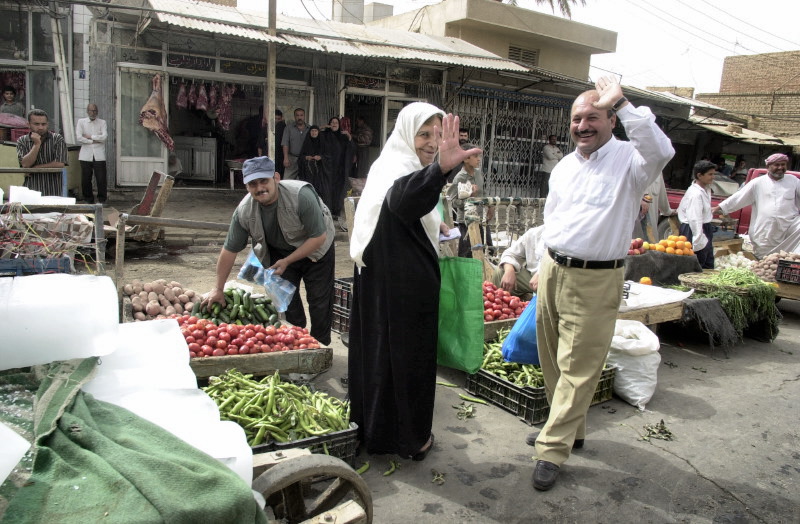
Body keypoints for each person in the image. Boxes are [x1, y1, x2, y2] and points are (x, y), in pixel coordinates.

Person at [529, 76, 674, 491]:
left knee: (579, 367)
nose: (583, 126)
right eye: (577, 119)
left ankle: (551, 449)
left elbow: (661, 149)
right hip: (554, 269)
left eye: (593, 116)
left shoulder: (631, 160)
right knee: (553, 358)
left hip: (596, 279)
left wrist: (623, 101)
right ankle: (570, 431)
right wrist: (542, 262)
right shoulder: (565, 166)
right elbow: (553, 219)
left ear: (611, 120)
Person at [348, 103, 480, 459]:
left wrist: (437, 225)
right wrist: (440, 168)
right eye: (423, 134)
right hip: (401, 290)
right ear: (407, 134)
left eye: (437, 135)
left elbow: (406, 215)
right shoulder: (398, 169)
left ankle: (374, 432)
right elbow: (402, 200)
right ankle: (410, 439)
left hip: (385, 283)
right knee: (408, 361)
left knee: (383, 358)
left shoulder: (398, 165)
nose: (430, 142)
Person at [202, 156, 336, 346]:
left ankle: (321, 348)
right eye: (252, 184)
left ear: (276, 177)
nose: (259, 188)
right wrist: (218, 288)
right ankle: (297, 344)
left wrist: (288, 260)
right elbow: (229, 250)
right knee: (287, 302)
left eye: (264, 181)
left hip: (316, 249)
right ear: (246, 186)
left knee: (319, 302)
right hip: (279, 253)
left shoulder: (301, 196)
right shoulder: (244, 211)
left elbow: (318, 237)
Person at [712, 153, 800, 259]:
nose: (780, 168)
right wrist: (718, 208)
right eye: (777, 165)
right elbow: (737, 198)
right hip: (766, 230)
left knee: (789, 256)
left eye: (783, 164)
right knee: (766, 260)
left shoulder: (793, 181)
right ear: (768, 167)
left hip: (789, 227)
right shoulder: (758, 183)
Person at [446, 144, 486, 257]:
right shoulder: (460, 178)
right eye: (475, 156)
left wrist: (490, 207)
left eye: (479, 156)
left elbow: (483, 192)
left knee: (484, 250)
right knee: (466, 252)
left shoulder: (478, 173)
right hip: (465, 221)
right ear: (466, 159)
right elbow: (454, 201)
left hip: (480, 218)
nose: (478, 159)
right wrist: (470, 198)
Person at [16, 109, 67, 196]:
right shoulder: (22, 140)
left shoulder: (57, 139)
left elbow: (60, 163)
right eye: (36, 124)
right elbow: (25, 164)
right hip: (32, 189)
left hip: (54, 189)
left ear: (47, 124)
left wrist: (35, 168)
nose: (40, 127)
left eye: (43, 124)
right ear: (28, 124)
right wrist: (36, 145)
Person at [678, 160, 717, 269]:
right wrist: (699, 239)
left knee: (707, 263)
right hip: (694, 229)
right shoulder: (695, 194)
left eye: (714, 174)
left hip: (704, 227)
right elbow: (695, 219)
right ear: (699, 175)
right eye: (710, 174)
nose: (713, 177)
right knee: (696, 263)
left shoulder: (705, 189)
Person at [319, 116, 355, 226]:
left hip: (339, 169)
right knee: (327, 189)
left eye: (336, 123)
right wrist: (324, 127)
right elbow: (314, 134)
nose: (334, 124)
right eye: (332, 122)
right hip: (327, 168)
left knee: (339, 190)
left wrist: (349, 137)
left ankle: (336, 211)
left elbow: (351, 149)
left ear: (339, 125)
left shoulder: (342, 137)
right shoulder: (325, 135)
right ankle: (327, 210)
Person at [491, 225, 544, 297]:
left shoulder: (561, 236)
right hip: (532, 278)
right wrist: (509, 270)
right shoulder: (534, 233)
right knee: (500, 272)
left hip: (553, 280)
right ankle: (499, 303)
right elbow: (510, 253)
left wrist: (540, 274)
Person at [76, 103, 108, 204]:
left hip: (99, 155)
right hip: (85, 155)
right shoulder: (81, 122)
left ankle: (102, 200)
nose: (93, 113)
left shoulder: (102, 122)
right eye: (91, 110)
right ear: (87, 111)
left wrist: (90, 136)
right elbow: (79, 137)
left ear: (97, 112)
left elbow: (104, 137)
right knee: (86, 179)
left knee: (101, 178)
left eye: (94, 111)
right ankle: (88, 199)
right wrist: (93, 141)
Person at [281, 108, 309, 180]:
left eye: (301, 115)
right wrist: (286, 158)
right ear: (294, 116)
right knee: (287, 181)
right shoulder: (289, 128)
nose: (299, 117)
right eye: (297, 115)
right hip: (292, 159)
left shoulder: (309, 128)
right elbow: (285, 143)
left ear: (304, 116)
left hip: (305, 159)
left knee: (305, 181)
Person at [258, 109, 286, 176]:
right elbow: (260, 145)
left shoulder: (284, 129)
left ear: (281, 119)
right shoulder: (266, 129)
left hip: (279, 159)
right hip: (266, 157)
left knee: (278, 177)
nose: (276, 120)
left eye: (278, 119)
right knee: (266, 176)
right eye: (275, 118)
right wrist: (260, 158)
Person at [540, 134, 563, 198]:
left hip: (554, 170)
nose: (554, 141)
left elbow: (561, 155)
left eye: (555, 139)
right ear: (549, 140)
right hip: (547, 169)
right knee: (545, 185)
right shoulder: (546, 147)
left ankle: (549, 198)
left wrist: (554, 154)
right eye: (553, 139)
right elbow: (549, 156)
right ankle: (542, 198)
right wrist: (556, 155)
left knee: (552, 185)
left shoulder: (556, 148)